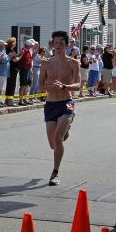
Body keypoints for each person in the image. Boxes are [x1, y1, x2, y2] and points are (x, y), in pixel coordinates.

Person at [39, 31, 80, 186]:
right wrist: (51, 87)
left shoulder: (73, 63)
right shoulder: (46, 63)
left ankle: (55, 173)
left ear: (67, 44)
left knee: (57, 137)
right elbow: (41, 86)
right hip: (50, 105)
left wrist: (64, 86)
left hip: (66, 103)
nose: (58, 46)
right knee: (52, 144)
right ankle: (64, 131)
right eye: (55, 43)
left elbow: (78, 85)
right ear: (52, 44)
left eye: (61, 42)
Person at [0, 40, 13, 106]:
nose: (5, 46)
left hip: (4, 72)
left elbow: (6, 59)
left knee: (1, 88)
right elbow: (4, 60)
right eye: (3, 45)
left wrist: (8, 56)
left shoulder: (3, 52)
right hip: (0, 72)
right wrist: (9, 56)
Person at [18, 39, 37, 106]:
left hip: (28, 69)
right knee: (23, 85)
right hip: (23, 69)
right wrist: (33, 57)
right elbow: (26, 61)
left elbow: (29, 61)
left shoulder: (28, 51)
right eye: (31, 45)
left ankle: (24, 99)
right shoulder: (23, 50)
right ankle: (21, 100)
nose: (32, 46)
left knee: (26, 85)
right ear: (28, 45)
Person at [5, 37, 23, 107]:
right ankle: (9, 101)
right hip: (12, 69)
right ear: (12, 43)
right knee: (11, 85)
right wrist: (21, 55)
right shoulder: (9, 50)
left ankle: (8, 100)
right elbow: (14, 60)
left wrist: (18, 55)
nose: (16, 43)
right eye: (15, 42)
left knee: (11, 84)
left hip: (14, 69)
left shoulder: (11, 50)